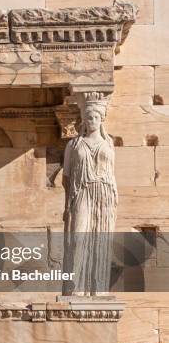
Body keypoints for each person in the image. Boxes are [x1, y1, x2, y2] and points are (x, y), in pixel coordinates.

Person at [62, 94, 117, 295]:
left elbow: (111, 172)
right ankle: (75, 287)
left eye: (95, 117)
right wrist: (68, 205)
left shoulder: (109, 144)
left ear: (101, 119)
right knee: (79, 236)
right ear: (84, 119)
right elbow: (66, 177)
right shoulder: (74, 145)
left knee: (100, 237)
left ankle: (97, 288)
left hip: (104, 193)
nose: (91, 121)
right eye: (88, 117)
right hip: (82, 192)